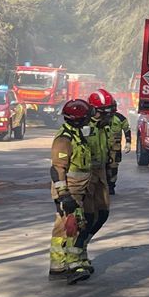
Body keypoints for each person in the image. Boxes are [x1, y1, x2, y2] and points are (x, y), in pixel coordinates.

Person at [49, 99, 96, 284]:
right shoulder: (64, 139)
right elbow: (57, 168)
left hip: (79, 189)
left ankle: (58, 266)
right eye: (85, 117)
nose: (88, 120)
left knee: (63, 227)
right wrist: (64, 195)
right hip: (69, 191)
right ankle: (72, 265)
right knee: (71, 227)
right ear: (77, 119)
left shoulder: (77, 134)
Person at [82, 89, 115, 249]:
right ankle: (77, 251)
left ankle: (84, 243)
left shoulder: (104, 128)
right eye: (104, 113)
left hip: (100, 176)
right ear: (94, 111)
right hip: (85, 178)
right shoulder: (83, 128)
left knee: (102, 214)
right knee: (85, 217)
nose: (108, 116)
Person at [105, 97, 133, 194]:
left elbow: (127, 130)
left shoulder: (120, 118)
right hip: (101, 148)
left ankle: (111, 186)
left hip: (114, 148)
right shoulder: (99, 118)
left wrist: (128, 142)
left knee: (113, 167)